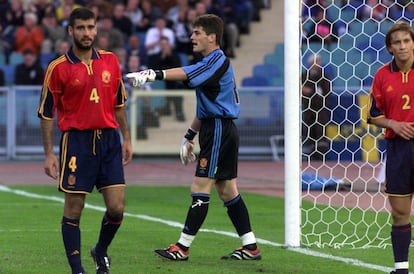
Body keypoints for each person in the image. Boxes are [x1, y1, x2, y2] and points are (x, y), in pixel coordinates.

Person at [127, 13, 261, 261]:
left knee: (200, 186)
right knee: (227, 190)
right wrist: (189, 135)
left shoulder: (217, 60)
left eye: (197, 33)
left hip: (219, 128)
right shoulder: (210, 64)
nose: (191, 37)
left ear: (212, 37)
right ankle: (250, 246)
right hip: (217, 128)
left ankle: (182, 247)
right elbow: (204, 107)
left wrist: (153, 74)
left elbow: (188, 72)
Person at [37, 7, 132, 274]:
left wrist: (127, 139)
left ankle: (100, 250)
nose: (87, 33)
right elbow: (46, 114)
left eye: (91, 27)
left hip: (110, 141)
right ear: (71, 31)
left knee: (116, 208)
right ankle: (77, 270)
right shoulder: (57, 68)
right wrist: (49, 154)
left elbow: (119, 104)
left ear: (96, 29)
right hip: (76, 142)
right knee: (74, 208)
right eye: (81, 28)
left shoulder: (111, 61)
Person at [367, 21, 414, 274]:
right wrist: (394, 124)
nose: (403, 46)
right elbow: (373, 114)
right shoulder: (382, 75)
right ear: (390, 48)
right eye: (397, 42)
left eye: (407, 40)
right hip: (398, 149)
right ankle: (401, 268)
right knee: (399, 212)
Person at [148, 36, 186, 121]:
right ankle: (163, 108)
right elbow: (153, 69)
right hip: (160, 81)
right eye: (162, 44)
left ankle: (179, 111)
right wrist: (162, 57)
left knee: (178, 87)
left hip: (172, 81)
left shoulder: (175, 56)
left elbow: (178, 67)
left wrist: (169, 56)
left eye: (166, 44)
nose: (164, 46)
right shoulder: (155, 56)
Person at [301, 53, 330, 160]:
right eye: (315, 61)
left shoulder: (323, 76)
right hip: (308, 108)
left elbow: (327, 92)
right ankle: (312, 155)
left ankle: (321, 156)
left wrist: (310, 91)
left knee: (320, 131)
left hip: (320, 108)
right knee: (310, 131)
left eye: (318, 61)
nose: (317, 64)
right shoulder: (304, 76)